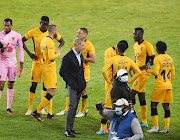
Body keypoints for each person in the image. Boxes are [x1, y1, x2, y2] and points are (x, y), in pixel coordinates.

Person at [22, 16, 65, 116]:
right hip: (38, 62)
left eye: (46, 24)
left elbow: (62, 41)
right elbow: (21, 40)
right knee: (34, 85)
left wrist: (59, 48)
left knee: (46, 87)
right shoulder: (34, 32)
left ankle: (44, 110)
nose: (45, 26)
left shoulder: (50, 34)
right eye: (43, 24)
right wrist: (30, 54)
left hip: (46, 63)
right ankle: (31, 108)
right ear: (40, 23)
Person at [56, 28, 95, 117]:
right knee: (71, 89)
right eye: (77, 32)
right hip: (74, 71)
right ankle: (67, 110)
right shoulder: (76, 43)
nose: (77, 34)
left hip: (84, 72)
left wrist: (80, 57)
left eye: (79, 33)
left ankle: (81, 111)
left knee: (83, 91)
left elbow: (93, 59)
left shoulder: (89, 45)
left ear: (84, 35)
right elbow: (71, 53)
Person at [31, 24, 62, 121]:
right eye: (57, 31)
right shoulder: (50, 42)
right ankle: (37, 112)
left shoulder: (44, 40)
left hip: (45, 67)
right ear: (54, 31)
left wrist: (55, 52)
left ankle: (49, 114)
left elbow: (47, 54)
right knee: (51, 92)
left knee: (49, 91)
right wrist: (58, 53)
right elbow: (52, 57)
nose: (57, 32)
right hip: (49, 69)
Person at [60, 38, 86, 137]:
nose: (84, 47)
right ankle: (67, 130)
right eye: (82, 45)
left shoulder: (81, 56)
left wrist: (83, 84)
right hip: (72, 86)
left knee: (75, 108)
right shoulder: (68, 57)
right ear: (77, 46)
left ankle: (71, 128)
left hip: (79, 85)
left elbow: (81, 71)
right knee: (72, 106)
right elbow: (62, 72)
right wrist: (70, 83)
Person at [147, 41, 175, 134]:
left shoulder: (157, 58)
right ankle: (166, 128)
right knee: (166, 106)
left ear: (157, 49)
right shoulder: (170, 58)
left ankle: (156, 127)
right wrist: (170, 82)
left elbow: (156, 72)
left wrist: (148, 70)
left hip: (160, 84)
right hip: (168, 84)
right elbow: (173, 73)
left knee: (153, 104)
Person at [131, 27, 155, 127]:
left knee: (131, 94)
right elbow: (137, 59)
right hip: (138, 73)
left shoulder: (147, 45)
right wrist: (133, 67)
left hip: (144, 74)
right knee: (141, 97)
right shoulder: (135, 45)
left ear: (140, 34)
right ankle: (144, 122)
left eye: (135, 34)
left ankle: (132, 118)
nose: (133, 36)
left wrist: (143, 67)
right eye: (133, 34)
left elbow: (152, 61)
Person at [0, 18, 24, 114]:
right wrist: (2, 50)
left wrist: (21, 64)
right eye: (5, 25)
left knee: (11, 84)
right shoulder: (0, 35)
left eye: (8, 25)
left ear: (11, 25)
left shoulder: (17, 35)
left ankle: (8, 108)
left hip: (13, 63)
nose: (6, 27)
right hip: (2, 62)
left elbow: (20, 50)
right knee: (1, 84)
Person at [96, 44, 118, 135]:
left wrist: (110, 81)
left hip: (112, 84)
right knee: (115, 105)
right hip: (114, 83)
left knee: (108, 107)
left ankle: (103, 129)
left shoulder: (119, 58)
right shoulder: (109, 52)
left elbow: (104, 70)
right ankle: (111, 126)